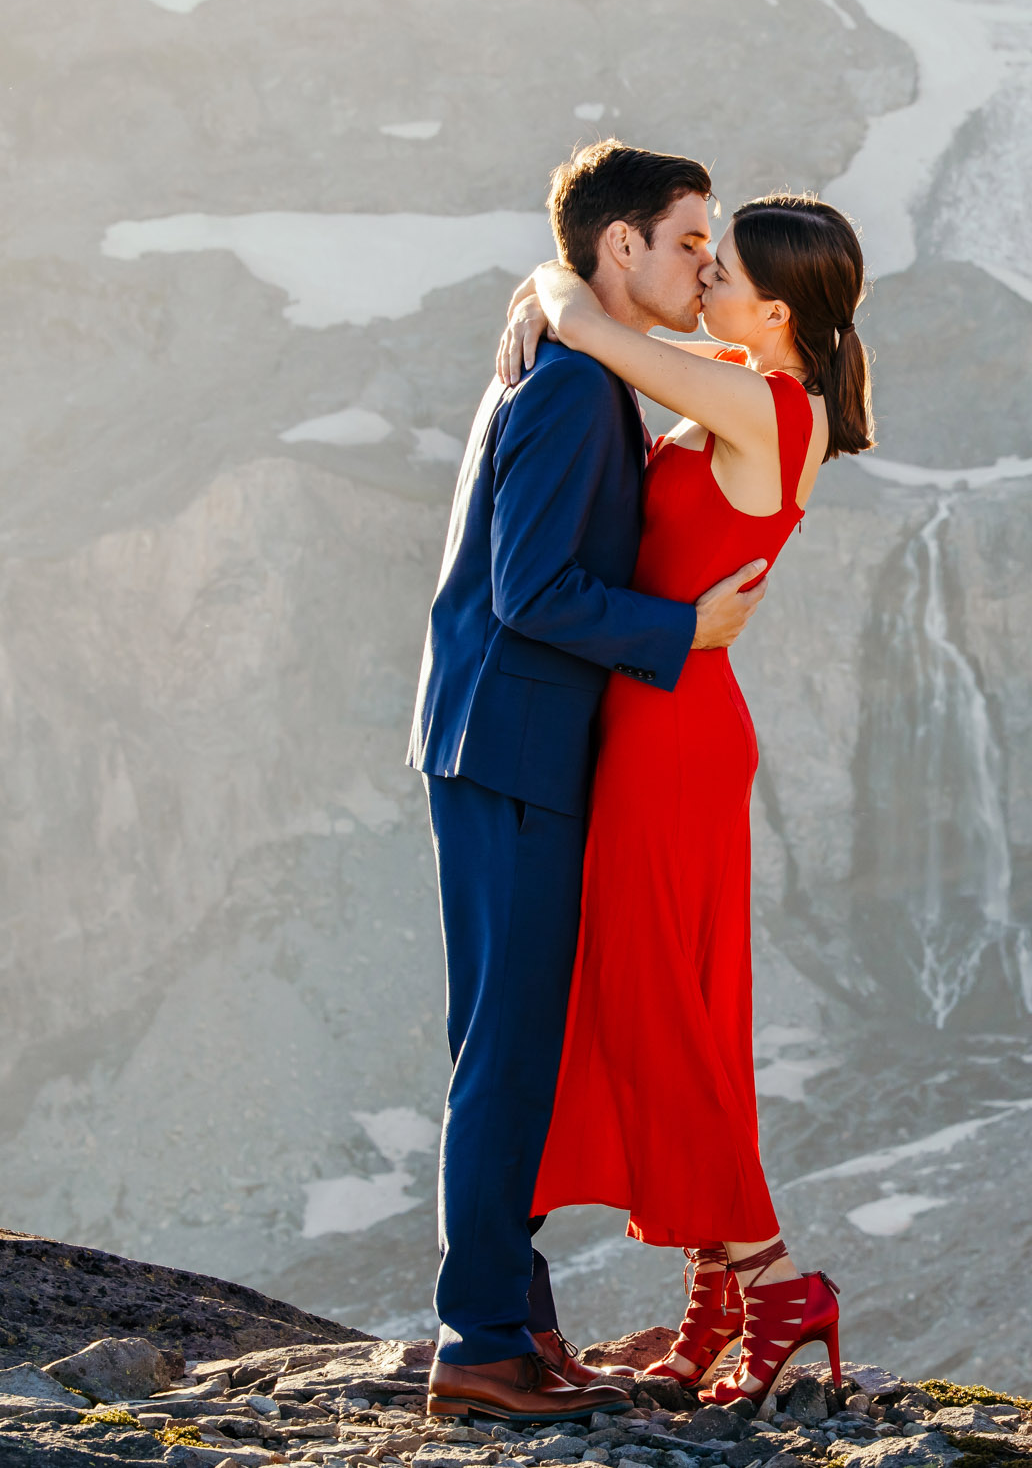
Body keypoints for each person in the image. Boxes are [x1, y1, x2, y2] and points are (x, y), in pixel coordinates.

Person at [406, 141, 774, 1423]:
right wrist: (684, 636)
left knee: (511, 1041)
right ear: (619, 245)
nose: (701, 262)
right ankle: (482, 1344)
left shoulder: (579, 361)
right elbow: (533, 591)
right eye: (686, 240)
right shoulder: (570, 389)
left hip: (502, 742)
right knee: (507, 1048)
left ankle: (518, 1320)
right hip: (514, 748)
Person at [498, 188, 875, 1401]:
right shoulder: (754, 377)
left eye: (722, 270)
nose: (700, 275)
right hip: (666, 722)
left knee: (661, 1006)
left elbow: (600, 336)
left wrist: (547, 285)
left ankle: (772, 1280)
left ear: (772, 310)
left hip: (675, 734)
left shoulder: (769, 403)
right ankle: (715, 1296)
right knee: (673, 1001)